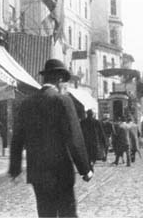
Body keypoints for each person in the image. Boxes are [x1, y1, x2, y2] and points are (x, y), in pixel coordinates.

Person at [9, 59, 93, 217]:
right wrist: (85, 169)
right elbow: (74, 137)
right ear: (59, 79)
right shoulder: (63, 101)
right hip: (61, 172)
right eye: (65, 83)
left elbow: (17, 138)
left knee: (45, 214)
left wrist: (15, 168)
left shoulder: (27, 103)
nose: (65, 87)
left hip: (37, 173)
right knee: (67, 214)